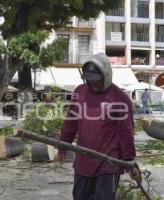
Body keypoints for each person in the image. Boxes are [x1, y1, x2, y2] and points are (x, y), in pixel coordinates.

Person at [58, 53, 140, 200]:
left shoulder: (120, 99)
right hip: (83, 162)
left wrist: (129, 161)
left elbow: (126, 133)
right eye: (90, 79)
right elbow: (71, 120)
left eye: (97, 79)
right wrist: (63, 143)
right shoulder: (80, 92)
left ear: (106, 75)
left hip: (108, 165)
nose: (94, 83)